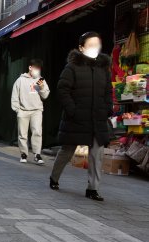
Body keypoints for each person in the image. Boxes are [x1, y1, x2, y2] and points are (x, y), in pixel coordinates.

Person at [50, 32, 112, 202]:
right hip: (76, 117)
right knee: (67, 151)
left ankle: (93, 188)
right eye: (90, 44)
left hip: (97, 118)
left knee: (97, 154)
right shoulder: (72, 67)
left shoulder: (103, 69)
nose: (94, 48)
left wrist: (107, 108)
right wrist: (73, 110)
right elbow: (62, 90)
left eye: (97, 44)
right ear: (81, 47)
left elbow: (108, 91)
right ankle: (54, 178)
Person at [12, 59, 50, 164]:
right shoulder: (20, 80)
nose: (37, 70)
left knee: (37, 132)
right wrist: (17, 110)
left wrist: (42, 88)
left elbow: (45, 95)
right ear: (30, 68)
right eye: (36, 68)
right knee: (22, 134)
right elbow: (15, 96)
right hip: (23, 111)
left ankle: (37, 154)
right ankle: (23, 154)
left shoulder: (40, 80)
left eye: (39, 69)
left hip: (37, 110)